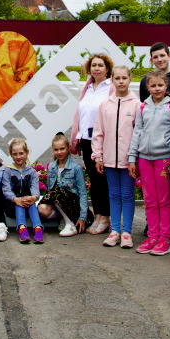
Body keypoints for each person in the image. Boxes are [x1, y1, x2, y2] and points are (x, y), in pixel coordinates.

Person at [128, 69, 170, 256]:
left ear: (166, 86)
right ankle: (153, 236)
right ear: (147, 87)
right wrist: (133, 158)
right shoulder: (142, 107)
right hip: (144, 160)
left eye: (160, 85)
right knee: (149, 200)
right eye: (153, 85)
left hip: (164, 159)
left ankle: (165, 238)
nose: (157, 89)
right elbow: (137, 132)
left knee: (164, 200)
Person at [92, 64, 139, 248]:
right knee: (113, 194)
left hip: (129, 161)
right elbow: (99, 132)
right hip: (110, 159)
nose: (121, 82)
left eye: (124, 78)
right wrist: (98, 156)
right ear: (112, 80)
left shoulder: (136, 105)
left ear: (130, 79)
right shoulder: (105, 105)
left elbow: (138, 133)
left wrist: (134, 158)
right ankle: (115, 231)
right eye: (117, 78)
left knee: (127, 195)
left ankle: (126, 232)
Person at [69, 52, 113, 234]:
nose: (97, 68)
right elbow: (82, 114)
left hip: (103, 141)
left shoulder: (111, 88)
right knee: (94, 180)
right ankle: (98, 216)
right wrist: (77, 137)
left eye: (100, 65)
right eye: (94, 65)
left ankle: (106, 217)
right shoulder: (87, 88)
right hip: (86, 140)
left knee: (103, 180)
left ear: (107, 68)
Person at [37, 133, 88, 237]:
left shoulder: (75, 167)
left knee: (57, 191)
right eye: (56, 150)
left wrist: (82, 217)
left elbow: (83, 193)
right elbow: (50, 191)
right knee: (42, 208)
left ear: (68, 148)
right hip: (58, 202)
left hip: (72, 203)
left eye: (62, 149)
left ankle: (70, 224)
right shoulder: (52, 167)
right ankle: (63, 218)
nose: (59, 152)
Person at [1, 138, 42, 243]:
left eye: (21, 153)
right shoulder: (8, 171)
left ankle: (38, 229)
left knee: (30, 202)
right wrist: (15, 199)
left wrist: (34, 197)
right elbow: (6, 190)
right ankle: (22, 229)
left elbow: (34, 187)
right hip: (12, 205)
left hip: (29, 204)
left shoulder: (32, 172)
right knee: (20, 202)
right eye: (15, 154)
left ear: (26, 153)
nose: (18, 157)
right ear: (11, 154)